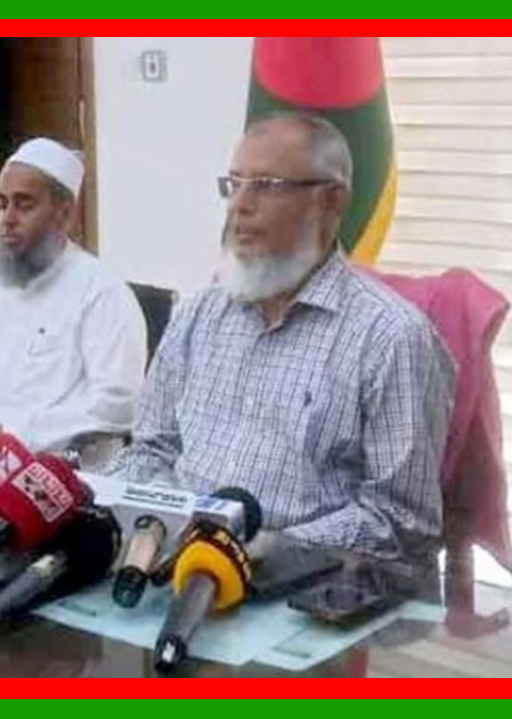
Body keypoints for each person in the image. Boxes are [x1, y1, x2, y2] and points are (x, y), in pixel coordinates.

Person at [111, 114, 456, 561]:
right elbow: (151, 448)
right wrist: (150, 517)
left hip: (308, 582)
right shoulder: (199, 314)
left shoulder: (390, 336)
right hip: (174, 561)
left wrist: (272, 552)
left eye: (267, 186)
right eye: (234, 184)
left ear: (331, 201)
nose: (239, 206)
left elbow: (400, 519)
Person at [0, 138, 148, 453]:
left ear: (64, 214)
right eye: (2, 204)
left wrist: (12, 433)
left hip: (47, 464)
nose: (7, 219)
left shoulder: (102, 292)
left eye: (24, 205)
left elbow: (118, 405)